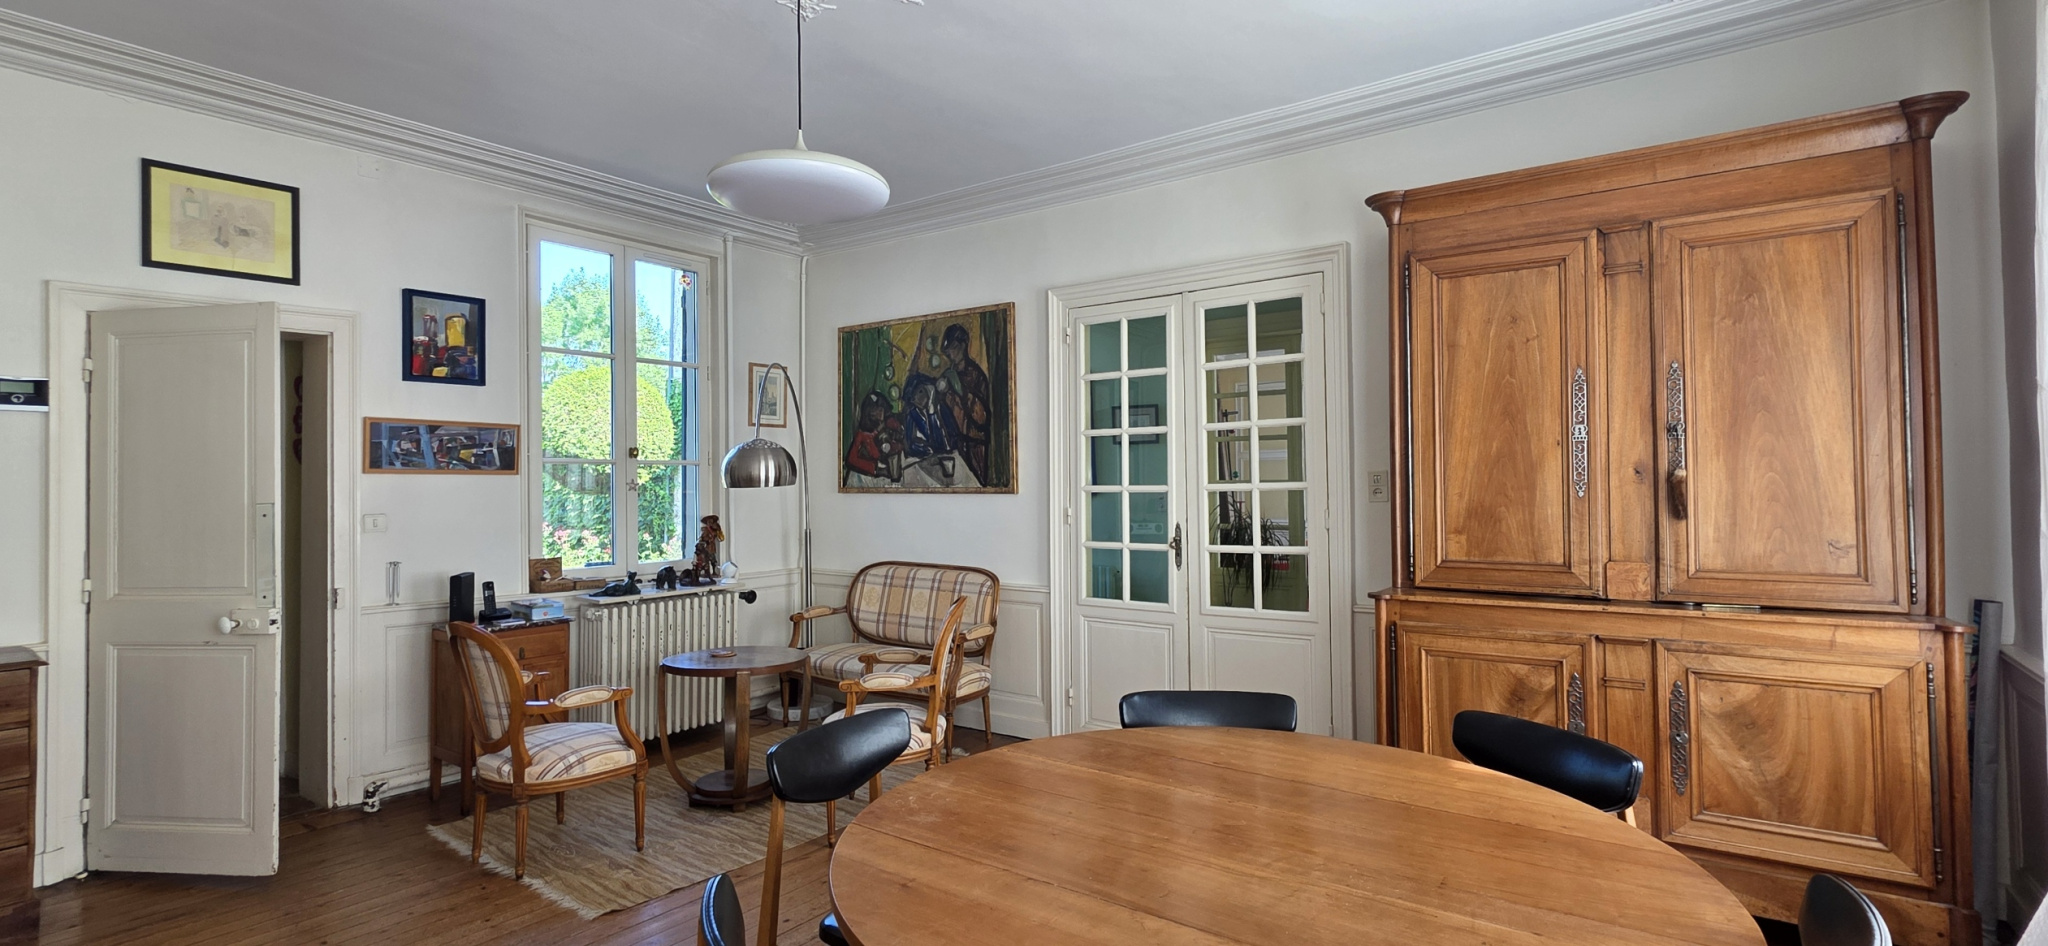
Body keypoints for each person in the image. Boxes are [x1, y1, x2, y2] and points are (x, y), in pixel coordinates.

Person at [938, 323, 994, 485]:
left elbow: (981, 417)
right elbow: (943, 412)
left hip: (975, 443)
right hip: (955, 443)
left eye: (953, 348)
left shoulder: (976, 375)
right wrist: (942, 394)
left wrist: (961, 391)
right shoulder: (948, 375)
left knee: (975, 484)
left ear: (963, 345)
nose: (950, 354)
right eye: (947, 350)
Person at [843, 391, 903, 487]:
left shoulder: (883, 431)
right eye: (877, 410)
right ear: (869, 412)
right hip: (861, 479)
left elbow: (889, 450)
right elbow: (851, 460)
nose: (880, 414)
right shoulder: (861, 435)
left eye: (882, 410)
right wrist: (875, 469)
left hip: (878, 479)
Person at [902, 376, 956, 459]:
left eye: (920, 391)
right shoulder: (912, 414)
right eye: (913, 398)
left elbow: (946, 442)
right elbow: (909, 446)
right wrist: (924, 449)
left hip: (949, 457)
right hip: (927, 460)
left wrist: (932, 412)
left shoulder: (941, 408)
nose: (917, 398)